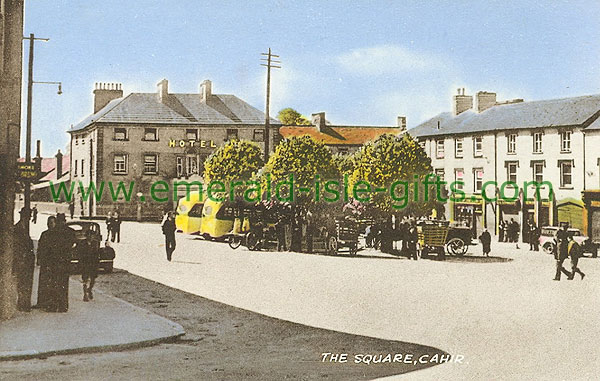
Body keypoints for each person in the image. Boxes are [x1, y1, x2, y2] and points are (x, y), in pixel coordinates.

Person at [53, 213, 76, 312]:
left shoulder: (55, 232)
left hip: (57, 261)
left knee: (56, 283)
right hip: (65, 261)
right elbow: (73, 244)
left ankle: (56, 305)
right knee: (63, 284)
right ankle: (63, 305)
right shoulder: (71, 232)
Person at [13, 208, 35, 311]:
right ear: (24, 216)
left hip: (26, 260)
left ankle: (24, 303)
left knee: (24, 282)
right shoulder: (18, 228)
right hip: (22, 260)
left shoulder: (23, 227)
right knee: (22, 282)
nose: (30, 218)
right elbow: (18, 246)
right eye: (28, 216)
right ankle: (22, 304)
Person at [36, 216, 57, 310]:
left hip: (52, 262)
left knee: (51, 283)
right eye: (49, 222)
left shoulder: (56, 235)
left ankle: (50, 303)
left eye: (52, 222)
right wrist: (39, 258)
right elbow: (40, 247)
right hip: (45, 261)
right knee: (43, 282)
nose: (50, 224)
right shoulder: (44, 234)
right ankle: (41, 302)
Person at [78, 229, 100, 301]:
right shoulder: (82, 243)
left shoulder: (95, 243)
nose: (90, 237)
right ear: (86, 236)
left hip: (93, 264)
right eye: (89, 235)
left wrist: (97, 263)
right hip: (85, 263)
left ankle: (89, 289)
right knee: (85, 279)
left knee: (93, 280)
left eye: (92, 235)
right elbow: (80, 254)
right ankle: (85, 295)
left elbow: (97, 253)